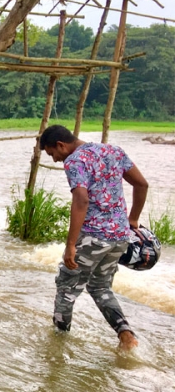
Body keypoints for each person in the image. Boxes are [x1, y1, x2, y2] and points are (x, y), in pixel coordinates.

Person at [40, 125, 148, 351]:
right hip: (120, 236)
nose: (56, 160)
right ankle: (126, 336)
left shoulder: (75, 161)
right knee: (100, 287)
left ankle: (57, 346)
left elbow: (81, 201)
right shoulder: (114, 151)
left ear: (61, 145)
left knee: (66, 288)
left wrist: (71, 245)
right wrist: (133, 220)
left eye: (52, 154)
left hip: (93, 238)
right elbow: (141, 183)